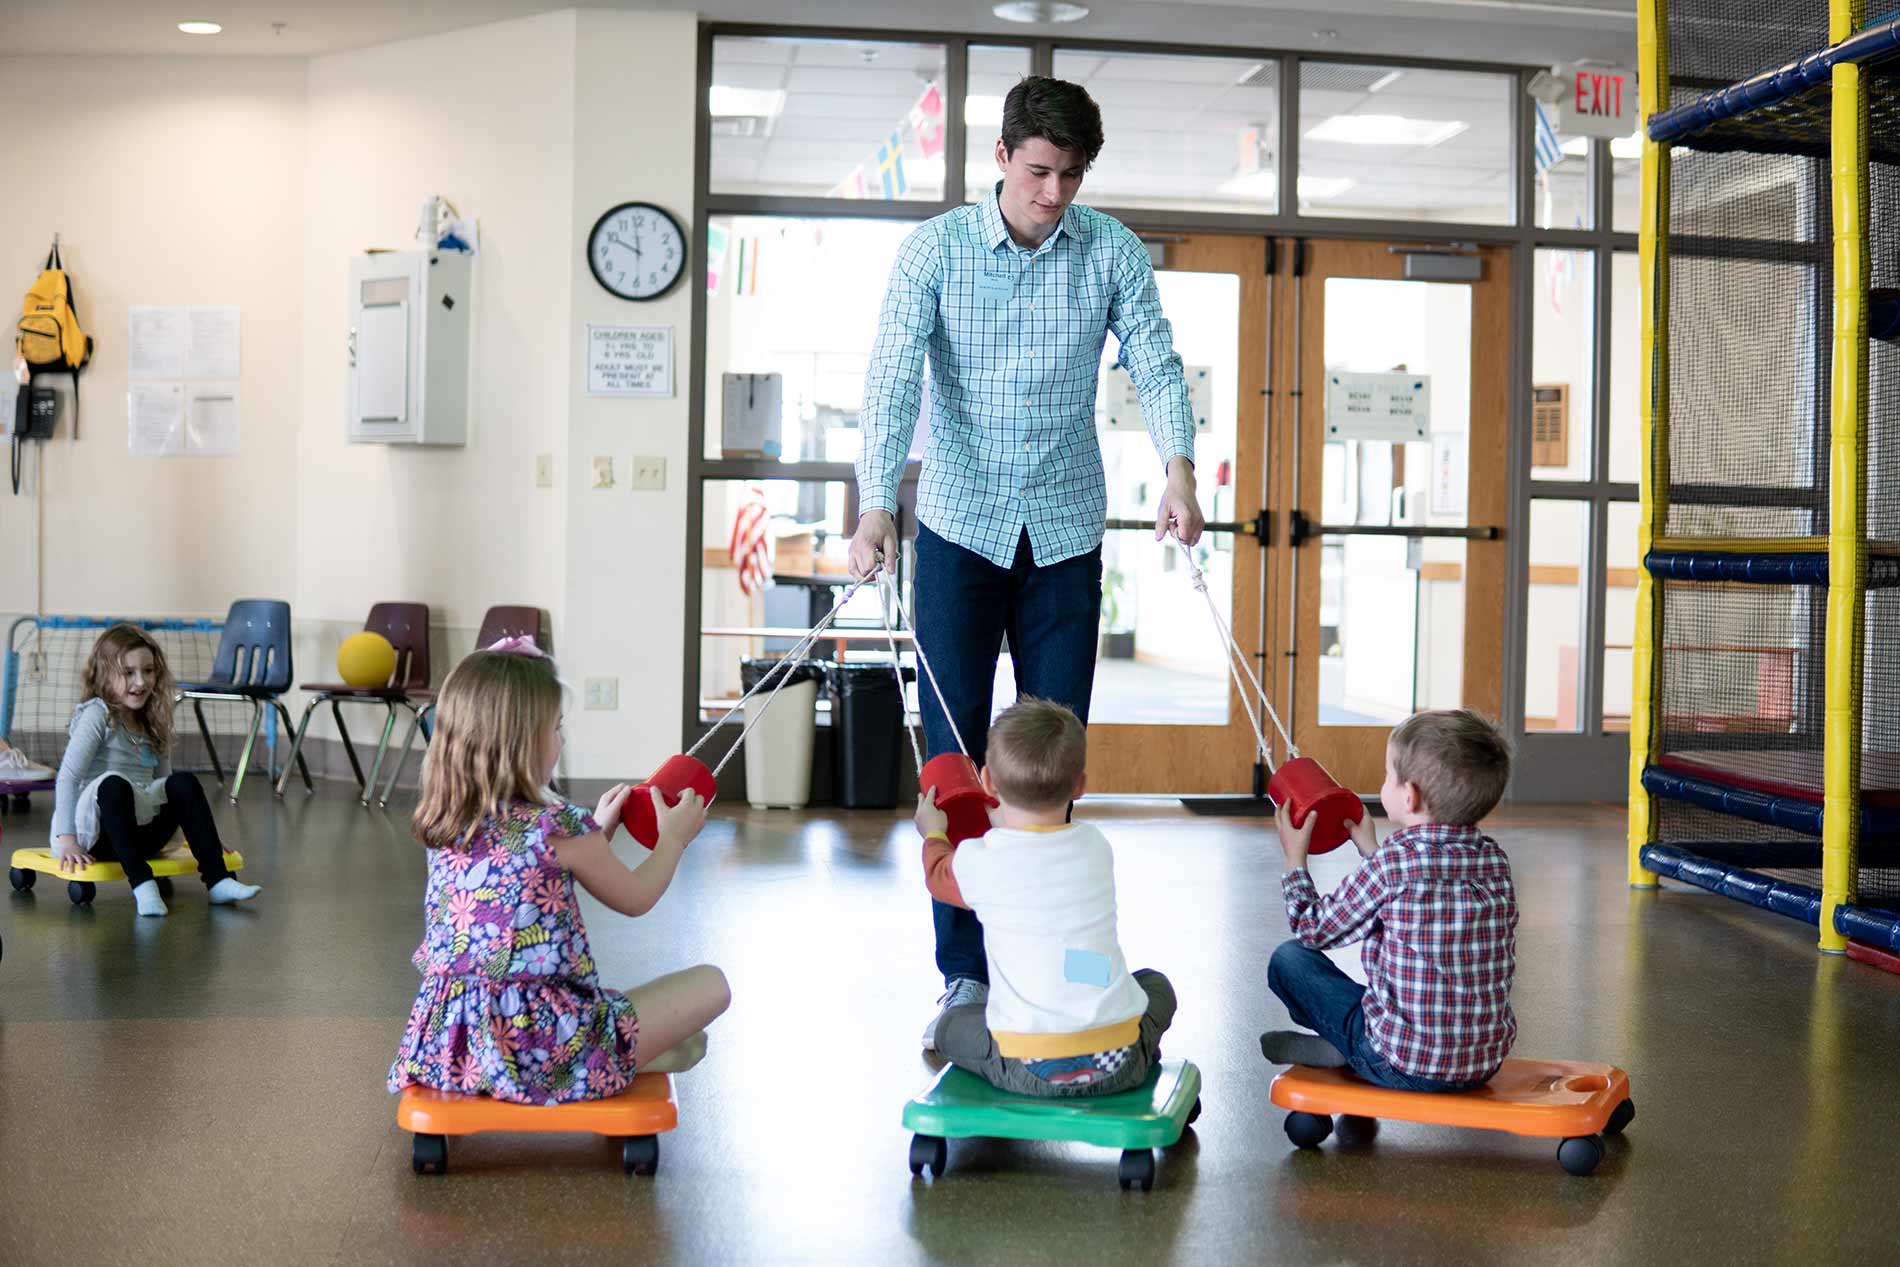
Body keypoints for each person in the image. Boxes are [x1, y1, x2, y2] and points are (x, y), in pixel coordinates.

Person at [848, 74, 1205, 1045]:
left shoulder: (1111, 251)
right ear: (1001, 158)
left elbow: (1157, 362)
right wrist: (876, 506)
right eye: (1040, 170)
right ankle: (968, 977)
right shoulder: (935, 251)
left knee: (1052, 760)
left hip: (1064, 533)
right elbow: (887, 380)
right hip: (959, 531)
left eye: (1072, 175)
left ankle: (1067, 968)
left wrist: (1178, 471)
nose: (1054, 193)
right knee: (955, 763)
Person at [388, 640, 730, 1105]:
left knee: (638, 1012)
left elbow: (525, 887)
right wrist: (674, 838)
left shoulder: (447, 822)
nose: (563, 739)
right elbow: (636, 897)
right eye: (557, 727)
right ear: (521, 743)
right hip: (551, 1049)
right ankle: (625, 1058)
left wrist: (598, 833)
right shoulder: (560, 829)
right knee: (713, 984)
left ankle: (642, 1049)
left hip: (452, 1045)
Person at [914, 698, 1175, 1096]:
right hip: (1120, 1060)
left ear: (986, 782)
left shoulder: (980, 861)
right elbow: (1036, 855)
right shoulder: (1095, 845)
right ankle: (1126, 1045)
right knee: (1155, 985)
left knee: (952, 1025)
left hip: (1027, 1068)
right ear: (1080, 786)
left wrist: (933, 832)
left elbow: (938, 876)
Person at [1261, 710, 1517, 1092]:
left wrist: (1295, 860)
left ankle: (1347, 1049)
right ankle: (1352, 1045)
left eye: (1387, 776)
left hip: (1399, 1061)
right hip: (1483, 1060)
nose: (1384, 783)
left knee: (1289, 959)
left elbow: (1312, 929)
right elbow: (1419, 888)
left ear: (1409, 796)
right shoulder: (1494, 861)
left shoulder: (1394, 865)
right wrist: (1370, 849)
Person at [49, 623, 258, 917]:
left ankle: (218, 881)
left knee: (182, 782)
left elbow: (166, 786)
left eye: (148, 671)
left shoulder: (151, 720)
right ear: (104, 675)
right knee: (113, 784)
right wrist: (67, 839)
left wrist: (201, 834)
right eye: (129, 672)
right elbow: (68, 777)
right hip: (99, 835)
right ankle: (144, 886)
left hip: (142, 834)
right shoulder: (98, 715)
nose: (141, 681)